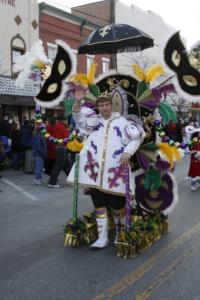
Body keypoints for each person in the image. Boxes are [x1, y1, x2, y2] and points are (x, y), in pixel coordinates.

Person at [67, 88, 145, 249]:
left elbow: (136, 138)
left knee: (118, 206)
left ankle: (119, 233)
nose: (104, 108)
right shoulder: (94, 121)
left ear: (112, 105)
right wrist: (78, 101)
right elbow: (78, 118)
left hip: (116, 171)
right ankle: (102, 237)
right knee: (99, 204)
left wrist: (128, 152)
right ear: (98, 107)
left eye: (106, 104)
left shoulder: (123, 122)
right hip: (95, 174)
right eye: (101, 105)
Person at [48, 116, 70, 188]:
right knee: (58, 166)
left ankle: (71, 180)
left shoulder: (57, 127)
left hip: (57, 147)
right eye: (66, 120)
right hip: (62, 148)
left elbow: (53, 137)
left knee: (66, 165)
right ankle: (52, 182)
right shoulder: (63, 127)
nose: (66, 122)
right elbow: (66, 138)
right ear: (63, 121)